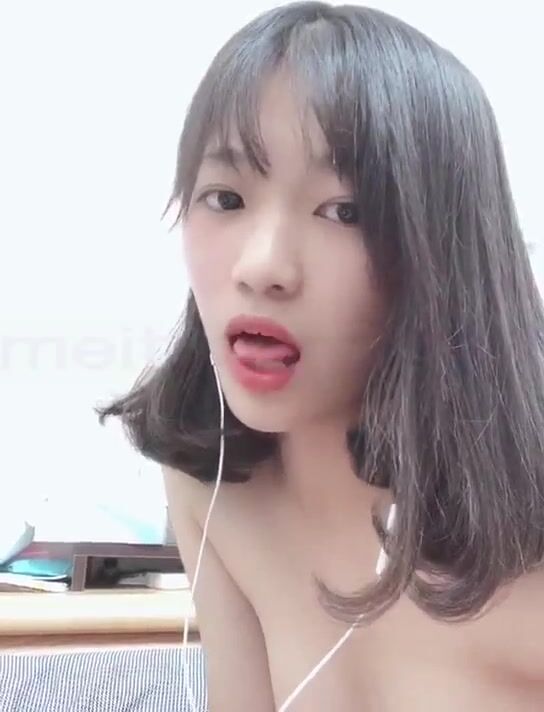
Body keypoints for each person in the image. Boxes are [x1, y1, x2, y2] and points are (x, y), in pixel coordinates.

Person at [96, 2, 544, 710]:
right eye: (226, 198)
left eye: (345, 212)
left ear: (447, 251)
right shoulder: (212, 484)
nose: (262, 266)